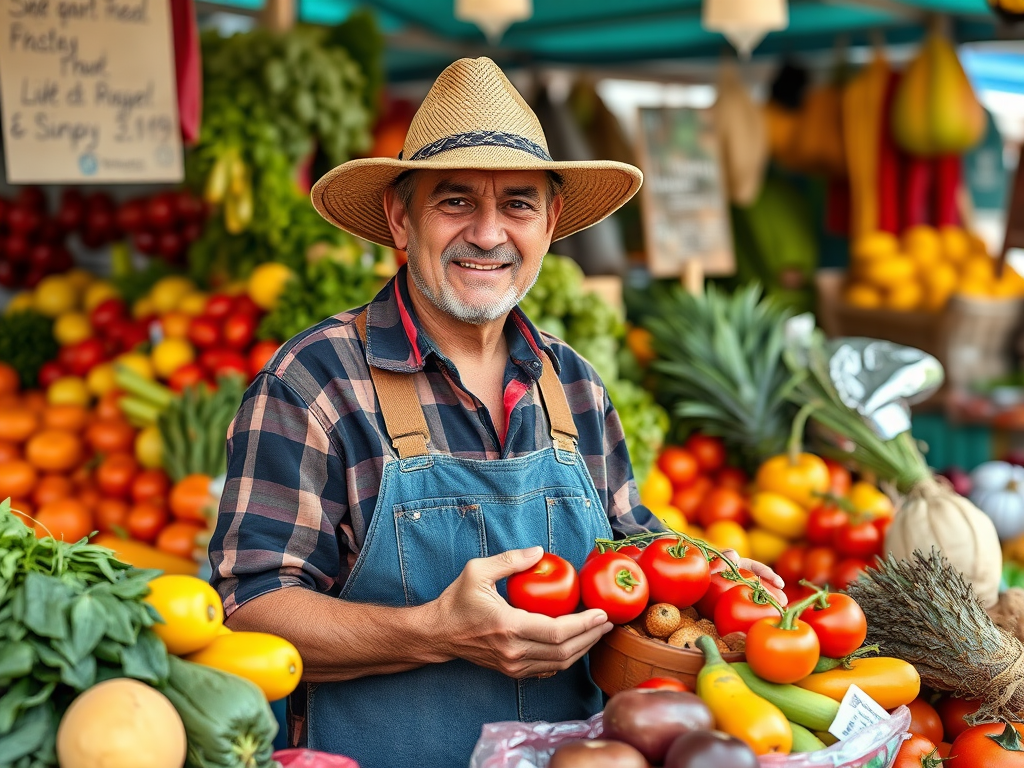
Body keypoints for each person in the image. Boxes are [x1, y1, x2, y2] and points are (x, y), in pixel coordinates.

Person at [208, 57, 783, 768]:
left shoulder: (574, 384)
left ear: (551, 222)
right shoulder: (315, 381)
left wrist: (713, 577)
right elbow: (248, 612)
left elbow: (633, 548)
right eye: (454, 202)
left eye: (517, 203)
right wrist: (433, 632)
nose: (487, 234)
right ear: (399, 216)